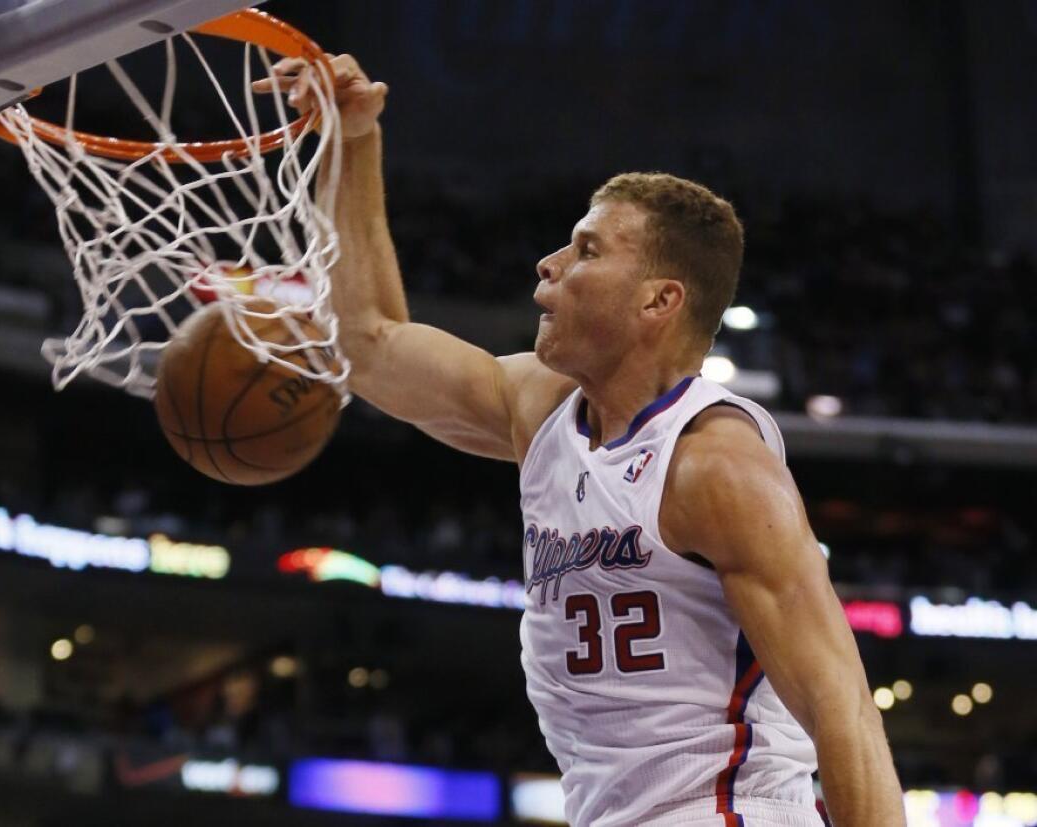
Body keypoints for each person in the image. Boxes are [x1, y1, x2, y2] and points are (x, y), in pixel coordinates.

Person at [255, 55, 905, 827]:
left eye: (588, 250)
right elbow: (367, 342)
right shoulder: (541, 411)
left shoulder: (715, 466)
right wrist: (353, 141)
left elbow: (844, 710)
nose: (551, 263)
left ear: (659, 299)